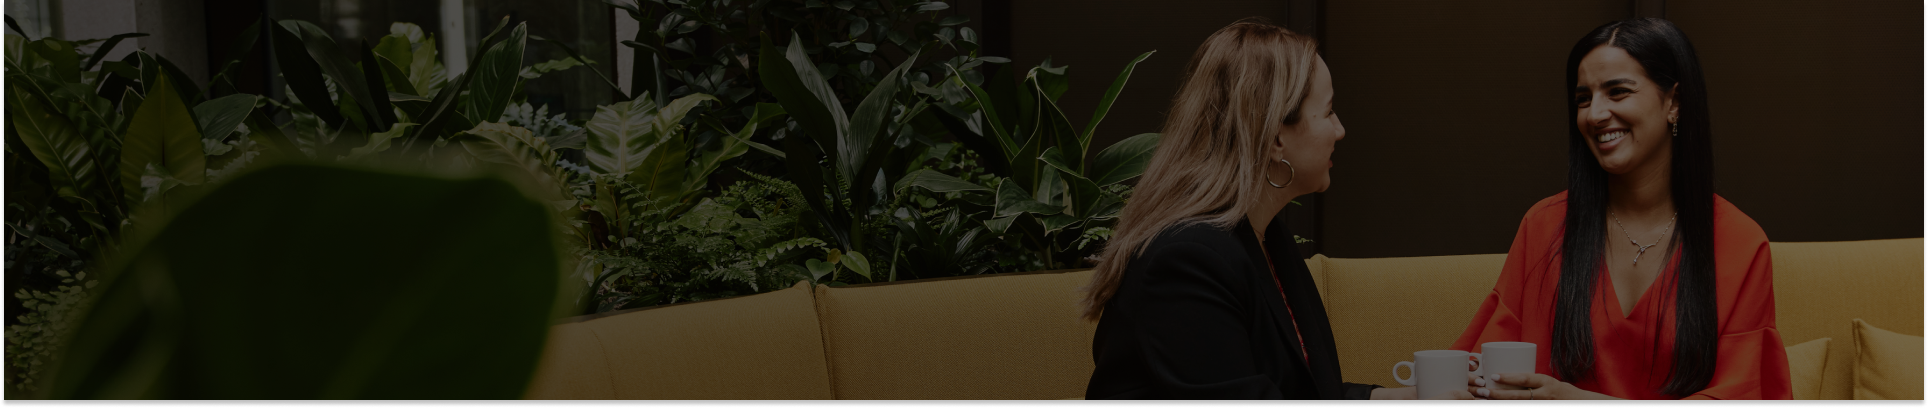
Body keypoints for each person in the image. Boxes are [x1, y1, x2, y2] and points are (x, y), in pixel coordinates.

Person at [1080, 18, 1472, 400]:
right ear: (1275, 138)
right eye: (1329, 111)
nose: (1340, 130)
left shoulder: (1263, 237)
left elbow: (1307, 393)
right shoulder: (1186, 261)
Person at [1452, 18, 1791, 400]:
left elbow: (1744, 390)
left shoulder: (1740, 242)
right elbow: (1483, 364)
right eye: (1583, 98)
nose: (1594, 114)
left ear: (1674, 102)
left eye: (1617, 92)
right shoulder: (1544, 226)